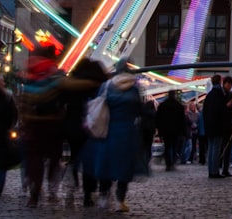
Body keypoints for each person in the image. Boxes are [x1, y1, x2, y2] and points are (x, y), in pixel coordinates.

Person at [20, 46, 98, 208]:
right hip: (52, 122)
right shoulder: (52, 71)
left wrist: (24, 119)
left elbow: (24, 99)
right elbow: (69, 85)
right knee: (54, 156)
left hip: (32, 122)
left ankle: (34, 190)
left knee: (35, 158)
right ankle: (51, 187)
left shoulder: (30, 72)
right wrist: (92, 82)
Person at [85, 59, 144, 212]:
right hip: (127, 131)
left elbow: (97, 103)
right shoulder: (134, 88)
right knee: (124, 166)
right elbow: (139, 110)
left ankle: (104, 196)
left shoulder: (107, 86)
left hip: (108, 130)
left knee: (106, 164)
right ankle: (120, 200)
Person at [62, 57, 108, 208]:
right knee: (93, 159)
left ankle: (74, 171)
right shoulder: (99, 84)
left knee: (77, 154)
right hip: (93, 125)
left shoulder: (71, 83)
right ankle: (91, 192)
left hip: (73, 125)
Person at [202, 74, 232, 179]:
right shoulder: (219, 94)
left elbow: (205, 111)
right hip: (217, 126)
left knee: (211, 148)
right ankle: (214, 171)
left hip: (209, 126)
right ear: (220, 81)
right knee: (216, 148)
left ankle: (211, 170)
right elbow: (221, 110)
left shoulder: (209, 95)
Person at [155, 90, 186, 171]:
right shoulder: (178, 106)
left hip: (165, 130)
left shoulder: (162, 106)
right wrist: (183, 131)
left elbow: (158, 119)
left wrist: (159, 130)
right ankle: (172, 162)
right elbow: (182, 120)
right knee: (174, 146)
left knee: (167, 146)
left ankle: (168, 163)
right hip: (176, 130)